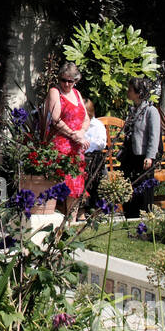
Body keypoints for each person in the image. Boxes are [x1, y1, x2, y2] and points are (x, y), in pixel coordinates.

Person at [44, 62, 88, 216]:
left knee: (76, 186)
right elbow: (56, 119)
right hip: (61, 145)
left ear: (76, 81)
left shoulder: (77, 94)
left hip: (76, 146)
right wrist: (73, 134)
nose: (67, 84)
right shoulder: (55, 92)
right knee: (57, 185)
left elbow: (86, 118)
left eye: (71, 81)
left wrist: (81, 133)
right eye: (64, 80)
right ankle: (50, 220)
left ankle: (71, 222)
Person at [120, 76, 162, 218]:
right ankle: (130, 215)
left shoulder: (151, 111)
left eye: (130, 90)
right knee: (129, 187)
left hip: (143, 157)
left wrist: (150, 156)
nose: (128, 92)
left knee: (143, 189)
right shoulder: (133, 110)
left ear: (139, 93)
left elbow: (154, 136)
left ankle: (144, 217)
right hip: (131, 155)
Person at [81, 98, 107, 214]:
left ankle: (97, 208)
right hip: (82, 157)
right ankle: (82, 207)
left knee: (98, 173)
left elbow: (101, 143)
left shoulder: (97, 125)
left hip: (94, 158)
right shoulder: (78, 125)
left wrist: (88, 145)